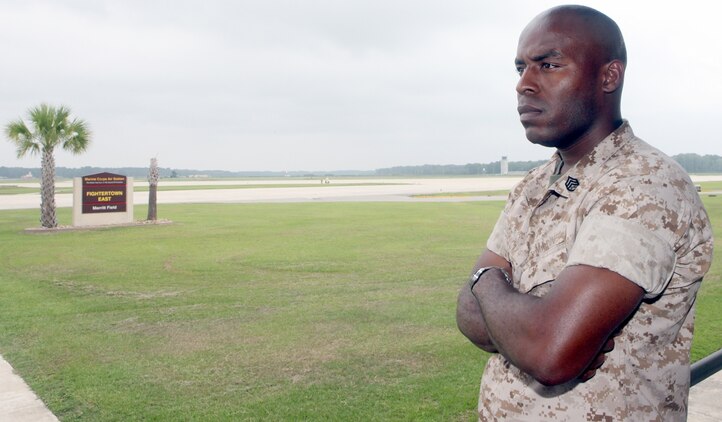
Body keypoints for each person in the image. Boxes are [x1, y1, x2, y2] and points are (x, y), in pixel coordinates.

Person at [456, 5, 714, 421]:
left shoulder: (643, 184)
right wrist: (507, 302)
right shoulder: (534, 184)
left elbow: (550, 352)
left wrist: (486, 284)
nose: (524, 84)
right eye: (520, 68)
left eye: (548, 65)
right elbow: (468, 314)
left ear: (608, 76)